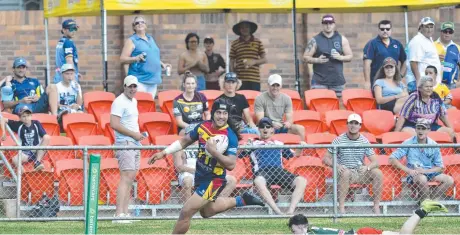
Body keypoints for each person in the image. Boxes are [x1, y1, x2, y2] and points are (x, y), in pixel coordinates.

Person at [149, 99, 264, 234]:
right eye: (219, 112)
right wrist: (164, 152)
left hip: (214, 180)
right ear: (213, 113)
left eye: (225, 113)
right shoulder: (203, 126)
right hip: (200, 176)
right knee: (207, 212)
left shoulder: (230, 136)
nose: (221, 116)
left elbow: (231, 164)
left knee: (185, 212)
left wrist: (214, 152)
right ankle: (242, 199)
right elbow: (184, 141)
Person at [323, 114, 383, 214]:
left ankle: (376, 206)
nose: (353, 125)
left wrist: (367, 168)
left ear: (360, 126)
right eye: (351, 123)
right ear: (347, 124)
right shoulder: (339, 140)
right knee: (345, 172)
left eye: (356, 123)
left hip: (359, 172)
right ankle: (341, 208)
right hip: (343, 172)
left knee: (378, 173)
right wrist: (337, 166)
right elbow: (325, 158)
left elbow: (376, 162)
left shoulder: (364, 140)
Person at [245, 117, 307, 215]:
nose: (265, 129)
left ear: (272, 130)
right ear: (258, 129)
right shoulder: (253, 143)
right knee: (258, 181)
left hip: (279, 171)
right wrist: (246, 146)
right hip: (262, 171)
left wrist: (301, 146)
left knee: (302, 180)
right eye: (262, 127)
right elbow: (239, 155)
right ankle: (278, 211)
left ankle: (290, 211)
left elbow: (294, 155)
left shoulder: (279, 143)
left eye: (268, 126)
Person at [288, 200, 448, 235]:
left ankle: (423, 210)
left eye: (297, 231)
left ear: (305, 227)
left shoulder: (314, 232)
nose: (297, 234)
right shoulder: (314, 230)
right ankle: (423, 210)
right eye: (295, 232)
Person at [390, 119, 454, 201]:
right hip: (414, 174)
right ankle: (426, 203)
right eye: (419, 128)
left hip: (430, 173)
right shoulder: (408, 142)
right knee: (422, 178)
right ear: (415, 129)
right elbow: (392, 158)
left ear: (428, 130)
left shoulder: (433, 144)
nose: (420, 131)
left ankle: (430, 201)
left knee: (449, 180)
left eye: (423, 129)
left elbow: (440, 167)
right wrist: (409, 170)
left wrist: (425, 171)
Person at [110, 75, 146, 223]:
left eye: (134, 86)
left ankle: (125, 213)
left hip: (134, 143)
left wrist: (138, 136)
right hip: (125, 142)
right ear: (124, 86)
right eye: (130, 86)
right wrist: (134, 135)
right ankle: (119, 214)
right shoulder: (119, 102)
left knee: (130, 178)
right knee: (125, 178)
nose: (132, 89)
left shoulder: (134, 101)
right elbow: (114, 124)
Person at [120, 16, 171, 99]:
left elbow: (153, 56)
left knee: (148, 106)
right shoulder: (132, 40)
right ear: (134, 27)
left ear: (146, 25)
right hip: (139, 81)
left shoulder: (150, 38)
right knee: (140, 107)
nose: (140, 24)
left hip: (153, 81)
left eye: (142, 22)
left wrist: (162, 64)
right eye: (137, 23)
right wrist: (135, 58)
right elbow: (122, 59)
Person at [303, 14, 353, 97]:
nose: (328, 25)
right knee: (319, 106)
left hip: (337, 81)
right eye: (325, 23)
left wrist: (340, 57)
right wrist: (317, 60)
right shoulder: (315, 40)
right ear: (322, 25)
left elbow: (350, 56)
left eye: (330, 23)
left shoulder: (341, 39)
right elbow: (305, 57)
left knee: (337, 108)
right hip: (319, 81)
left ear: (334, 24)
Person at [254, 74, 305, 140]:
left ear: (281, 86)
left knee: (300, 129)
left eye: (277, 85)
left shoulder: (287, 98)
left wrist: (288, 123)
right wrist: (272, 124)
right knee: (266, 129)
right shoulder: (260, 98)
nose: (275, 88)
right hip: (266, 127)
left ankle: (303, 149)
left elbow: (290, 118)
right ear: (268, 85)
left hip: (280, 126)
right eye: (273, 85)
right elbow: (260, 120)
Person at [0, 106, 50, 172]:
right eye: (24, 116)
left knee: (47, 137)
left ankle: (37, 162)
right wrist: (4, 132)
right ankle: (24, 176)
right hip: (26, 151)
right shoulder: (18, 125)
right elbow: (2, 119)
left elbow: (45, 136)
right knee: (15, 160)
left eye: (28, 115)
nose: (26, 118)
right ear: (20, 118)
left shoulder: (36, 123)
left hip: (37, 149)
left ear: (31, 116)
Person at [363, 20, 407, 90]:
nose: (385, 31)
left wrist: (400, 76)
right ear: (378, 30)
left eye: (387, 29)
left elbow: (404, 61)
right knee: (379, 100)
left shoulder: (397, 44)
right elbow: (366, 64)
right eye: (382, 29)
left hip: (393, 82)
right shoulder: (372, 44)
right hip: (377, 82)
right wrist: (367, 82)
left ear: (391, 30)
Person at [405, 17, 442, 93]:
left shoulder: (428, 39)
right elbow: (413, 62)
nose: (429, 29)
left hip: (427, 83)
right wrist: (419, 82)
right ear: (421, 27)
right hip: (419, 84)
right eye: (426, 27)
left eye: (431, 27)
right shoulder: (417, 41)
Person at [229, 20, 267, 91]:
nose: (244, 29)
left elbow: (264, 59)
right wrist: (233, 77)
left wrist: (254, 62)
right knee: (240, 101)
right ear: (239, 30)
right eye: (242, 28)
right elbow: (231, 61)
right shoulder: (234, 43)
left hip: (255, 79)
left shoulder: (257, 42)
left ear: (250, 29)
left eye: (246, 27)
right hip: (240, 80)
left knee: (254, 101)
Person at [434, 21, 460, 89]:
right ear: (441, 32)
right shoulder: (432, 45)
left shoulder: (457, 48)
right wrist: (436, 59)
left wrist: (458, 83)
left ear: (453, 33)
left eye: (450, 32)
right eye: (445, 31)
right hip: (436, 84)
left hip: (452, 85)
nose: (447, 34)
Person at [54, 19, 80, 83]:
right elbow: (69, 61)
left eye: (75, 29)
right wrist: (73, 77)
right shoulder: (68, 43)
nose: (73, 31)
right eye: (71, 29)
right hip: (67, 78)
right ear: (64, 30)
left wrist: (76, 72)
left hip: (59, 75)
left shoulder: (61, 42)